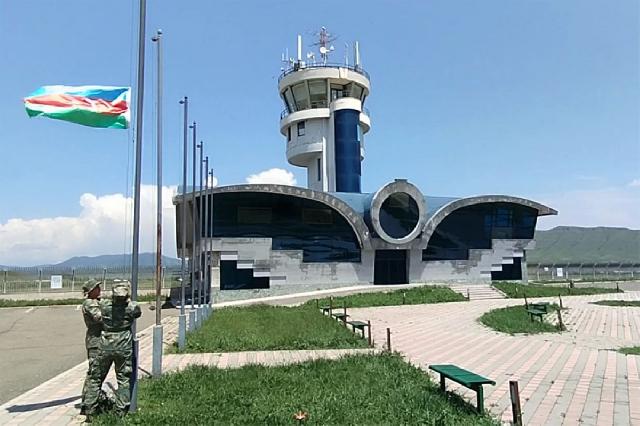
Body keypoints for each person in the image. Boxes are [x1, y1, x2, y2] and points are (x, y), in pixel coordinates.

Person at [84, 281, 141, 420]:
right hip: (124, 344)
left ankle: (90, 410)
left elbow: (98, 312)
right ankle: (120, 411)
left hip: (105, 342)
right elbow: (137, 313)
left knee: (96, 377)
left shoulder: (104, 305)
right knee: (123, 378)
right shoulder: (132, 307)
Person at [80, 279, 102, 415]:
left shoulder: (97, 302)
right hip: (95, 341)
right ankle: (87, 403)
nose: (99, 289)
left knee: (97, 372)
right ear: (91, 290)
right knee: (94, 372)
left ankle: (90, 400)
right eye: (97, 287)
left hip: (100, 339)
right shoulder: (89, 303)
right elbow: (99, 317)